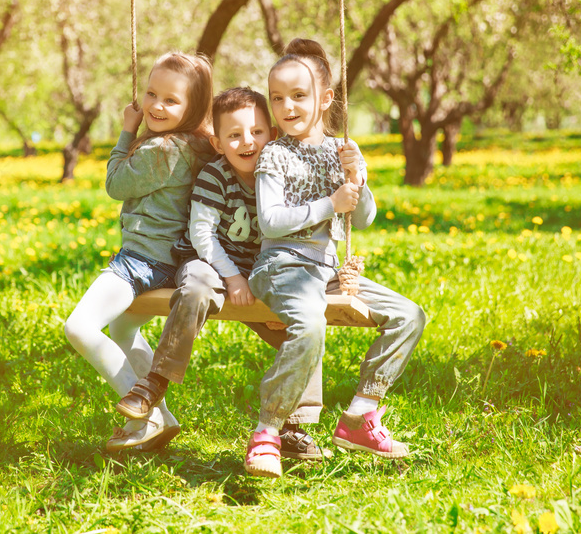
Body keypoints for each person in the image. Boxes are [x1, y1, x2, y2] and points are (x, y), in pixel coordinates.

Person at [114, 87, 331, 461]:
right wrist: (231, 278)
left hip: (265, 271)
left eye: (257, 132)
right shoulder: (215, 177)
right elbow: (202, 235)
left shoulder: (279, 174)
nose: (247, 142)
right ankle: (155, 382)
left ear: (273, 133)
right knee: (195, 285)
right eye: (234, 135)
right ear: (217, 142)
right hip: (212, 264)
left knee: (305, 324)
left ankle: (293, 426)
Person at [244, 38, 427, 478]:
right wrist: (330, 203)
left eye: (299, 96)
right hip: (282, 267)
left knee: (409, 315)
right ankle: (267, 432)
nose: (286, 106)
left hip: (326, 273)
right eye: (277, 98)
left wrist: (357, 177)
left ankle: (360, 416)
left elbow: (364, 218)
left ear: (325, 99)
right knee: (309, 323)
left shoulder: (340, 149)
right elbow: (269, 222)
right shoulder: (275, 153)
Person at [64, 52, 215, 452]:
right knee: (123, 328)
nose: (155, 106)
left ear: (193, 107)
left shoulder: (161, 150)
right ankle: (164, 418)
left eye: (171, 100)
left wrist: (126, 133)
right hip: (173, 261)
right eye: (151, 93)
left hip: (142, 262)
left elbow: (116, 184)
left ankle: (143, 413)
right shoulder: (196, 146)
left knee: (79, 327)